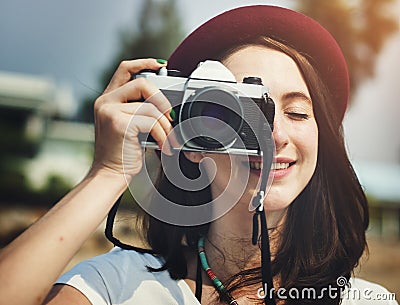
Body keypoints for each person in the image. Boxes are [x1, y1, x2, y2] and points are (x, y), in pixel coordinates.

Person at [0, 5, 397, 305]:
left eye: (296, 112)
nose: (270, 134)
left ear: (321, 141)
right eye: (238, 113)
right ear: (191, 145)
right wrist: (107, 172)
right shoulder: (115, 287)